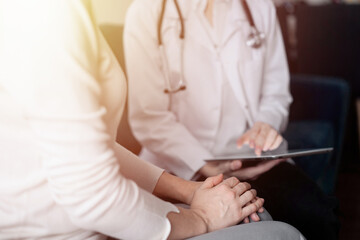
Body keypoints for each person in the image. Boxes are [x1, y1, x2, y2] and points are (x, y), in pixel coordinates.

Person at [0, 0, 307, 239]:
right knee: (283, 234)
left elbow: (92, 151)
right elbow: (91, 191)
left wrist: (188, 192)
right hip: (74, 226)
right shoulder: (44, 17)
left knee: (278, 217)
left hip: (235, 162)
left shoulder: (63, 12)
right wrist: (200, 218)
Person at [124, 0, 339, 239]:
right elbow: (149, 116)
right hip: (178, 167)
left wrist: (265, 125)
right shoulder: (146, 13)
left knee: (318, 217)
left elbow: (276, 94)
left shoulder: (259, 7)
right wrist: (202, 163)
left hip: (254, 162)